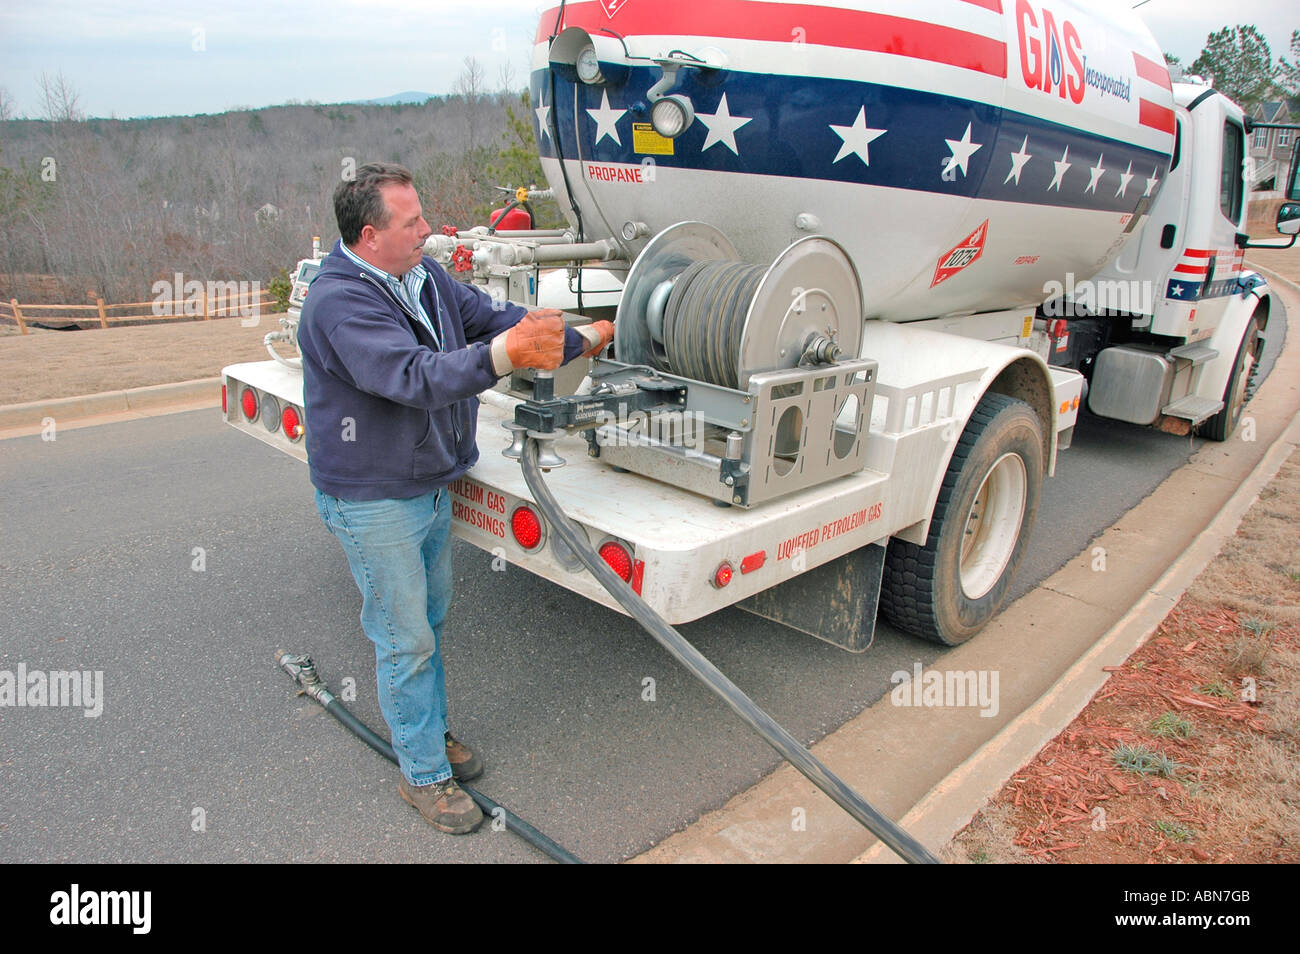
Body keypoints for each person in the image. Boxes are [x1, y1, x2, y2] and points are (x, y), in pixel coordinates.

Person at [298, 162, 613, 834]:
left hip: (429, 482)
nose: (427, 229)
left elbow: (494, 317)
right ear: (367, 234)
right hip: (373, 497)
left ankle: (427, 731)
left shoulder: (425, 277)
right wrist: (507, 353)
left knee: (430, 620)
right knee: (404, 637)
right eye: (410, 222)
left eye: (422, 215)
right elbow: (413, 376)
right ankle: (423, 776)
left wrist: (580, 335)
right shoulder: (339, 302)